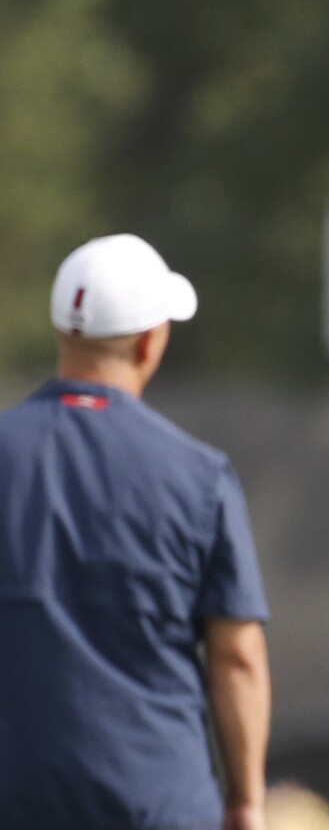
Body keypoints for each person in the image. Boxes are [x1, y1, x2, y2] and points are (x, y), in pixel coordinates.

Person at [0, 234, 272, 830]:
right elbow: (238, 656)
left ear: (63, 334)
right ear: (151, 341)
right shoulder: (199, 476)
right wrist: (247, 799)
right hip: (159, 799)